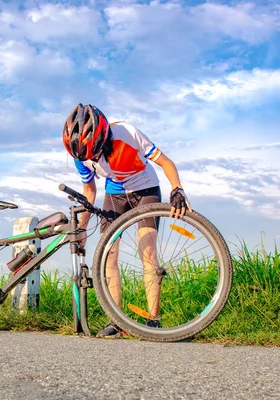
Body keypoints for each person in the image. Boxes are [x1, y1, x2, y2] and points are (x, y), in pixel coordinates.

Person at [62, 104, 191, 338]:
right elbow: (89, 192)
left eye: (94, 153)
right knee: (108, 253)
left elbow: (166, 163)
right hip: (114, 194)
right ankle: (117, 320)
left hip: (145, 189)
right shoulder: (80, 153)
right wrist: (82, 228)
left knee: (148, 251)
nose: (92, 159)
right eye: (86, 156)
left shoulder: (127, 134)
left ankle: (153, 320)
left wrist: (177, 189)